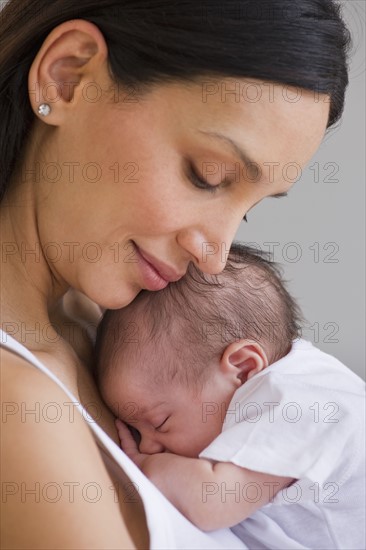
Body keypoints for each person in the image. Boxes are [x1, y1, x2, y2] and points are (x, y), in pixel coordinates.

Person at [0, 0, 352, 548]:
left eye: (249, 210)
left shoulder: (134, 332)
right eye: (207, 176)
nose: (215, 256)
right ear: (67, 76)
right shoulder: (17, 404)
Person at [95, 243, 366, 550]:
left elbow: (211, 501)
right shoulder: (297, 376)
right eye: (137, 433)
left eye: (159, 422)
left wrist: (142, 466)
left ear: (242, 368)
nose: (148, 445)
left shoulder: (295, 406)